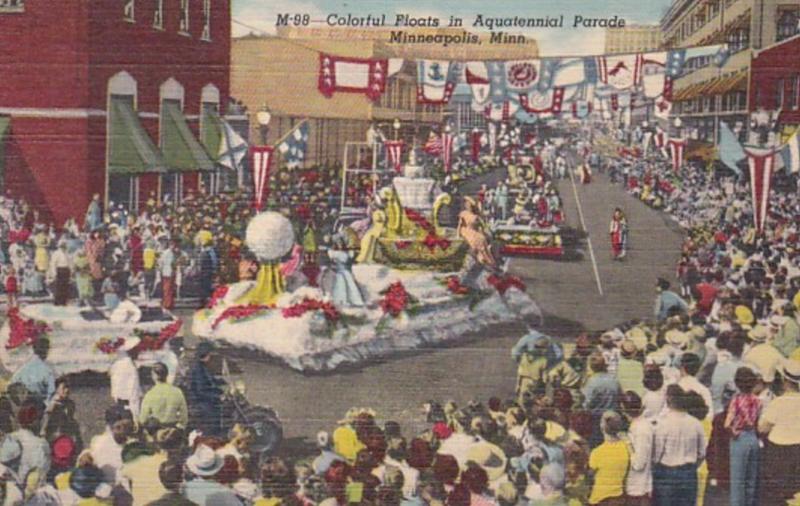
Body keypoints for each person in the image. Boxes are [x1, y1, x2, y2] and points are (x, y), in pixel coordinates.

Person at [652, 385, 706, 506]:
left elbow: (657, 453)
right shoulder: (696, 424)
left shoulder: (663, 424)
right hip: (688, 472)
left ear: (668, 401)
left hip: (667, 473)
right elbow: (702, 452)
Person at [758, 358, 800, 504]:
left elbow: (762, 427)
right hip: (798, 450)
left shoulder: (778, 402)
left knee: (774, 494)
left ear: (785, 381)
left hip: (778, 451)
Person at [724, 367, 761, 506]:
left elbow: (727, 424)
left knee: (737, 481)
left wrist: (734, 433)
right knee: (751, 481)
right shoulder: (758, 400)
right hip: (753, 437)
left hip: (739, 437)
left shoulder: (736, 400)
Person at [587, 411, 628, 505]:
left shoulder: (597, 452)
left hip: (599, 498)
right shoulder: (626, 447)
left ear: (602, 427)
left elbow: (590, 475)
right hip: (619, 497)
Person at [620, 392, 653, 505]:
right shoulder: (644, 424)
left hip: (638, 488)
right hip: (642, 486)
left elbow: (638, 464)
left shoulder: (640, 429)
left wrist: (628, 444)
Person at [187, 342, 226, 437]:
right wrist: (218, 396)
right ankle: (213, 436)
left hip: (204, 400)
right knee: (214, 419)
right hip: (201, 403)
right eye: (209, 354)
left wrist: (221, 382)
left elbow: (210, 380)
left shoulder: (202, 367)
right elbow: (201, 391)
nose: (210, 356)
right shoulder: (198, 369)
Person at [90, 405, 135, 485]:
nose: (124, 430)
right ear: (111, 427)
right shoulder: (100, 444)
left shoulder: (133, 444)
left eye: (128, 427)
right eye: (120, 427)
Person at [139, 363, 188, 430]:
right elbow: (184, 418)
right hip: (174, 432)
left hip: (157, 433)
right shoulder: (177, 392)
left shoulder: (150, 394)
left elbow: (143, 419)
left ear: (153, 376)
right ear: (167, 374)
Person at [10, 337, 56, 402]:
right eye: (48, 348)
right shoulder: (48, 370)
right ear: (47, 350)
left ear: (33, 349)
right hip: (39, 406)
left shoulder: (22, 368)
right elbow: (51, 393)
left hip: (23, 406)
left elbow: (11, 385)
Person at [327, 234, 365, 308]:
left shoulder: (348, 253)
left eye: (341, 242)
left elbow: (350, 259)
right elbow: (332, 262)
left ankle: (354, 300)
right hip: (339, 272)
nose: (340, 244)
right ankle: (341, 301)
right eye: (338, 243)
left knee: (350, 285)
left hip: (347, 272)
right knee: (340, 285)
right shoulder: (334, 253)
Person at [109, 337, 142, 419]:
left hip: (119, 400)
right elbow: (133, 392)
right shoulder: (129, 366)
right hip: (128, 403)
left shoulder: (118, 363)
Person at [458, 197, 496, 268]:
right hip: (466, 231)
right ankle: (484, 259)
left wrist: (483, 231)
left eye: (470, 206)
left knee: (482, 238)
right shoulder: (463, 213)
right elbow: (460, 225)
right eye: (467, 205)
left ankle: (487, 260)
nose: (468, 207)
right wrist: (458, 235)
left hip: (473, 231)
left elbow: (481, 226)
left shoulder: (475, 216)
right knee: (479, 239)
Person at [48, 241, 72, 306]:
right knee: (59, 287)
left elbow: (70, 263)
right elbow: (53, 263)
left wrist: (71, 271)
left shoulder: (67, 253)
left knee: (65, 287)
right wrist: (54, 273)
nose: (63, 248)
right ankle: (57, 301)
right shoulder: (56, 253)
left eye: (64, 246)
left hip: (66, 270)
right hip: (59, 270)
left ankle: (64, 301)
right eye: (62, 246)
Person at [158, 240, 176, 310]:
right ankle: (167, 303)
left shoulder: (171, 253)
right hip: (167, 273)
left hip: (169, 273)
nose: (174, 247)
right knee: (167, 289)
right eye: (173, 245)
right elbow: (161, 262)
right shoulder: (167, 253)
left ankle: (169, 303)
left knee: (170, 289)